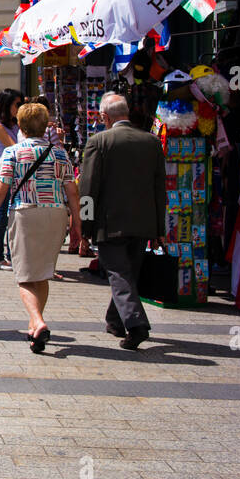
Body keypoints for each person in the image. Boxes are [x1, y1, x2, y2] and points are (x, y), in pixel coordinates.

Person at [0, 102, 80, 353]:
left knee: (24, 275)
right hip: (57, 214)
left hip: (26, 213)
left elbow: (0, 188)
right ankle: (33, 327)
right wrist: (77, 225)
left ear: (21, 126)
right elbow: (72, 191)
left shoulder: (13, 152)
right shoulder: (60, 153)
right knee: (42, 272)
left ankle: (37, 321)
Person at [78, 92, 167, 350]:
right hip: (143, 223)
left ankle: (136, 324)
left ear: (105, 117)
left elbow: (88, 188)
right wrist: (159, 227)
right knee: (128, 274)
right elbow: (159, 189)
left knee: (118, 273)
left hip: (110, 223)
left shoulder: (100, 141)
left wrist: (85, 227)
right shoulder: (151, 142)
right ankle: (115, 321)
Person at [0, 88, 24, 270]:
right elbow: (16, 147)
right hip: (6, 174)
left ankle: (12, 254)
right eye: (17, 104)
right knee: (3, 216)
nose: (20, 107)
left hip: (19, 174)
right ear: (7, 105)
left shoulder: (16, 124)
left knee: (14, 216)